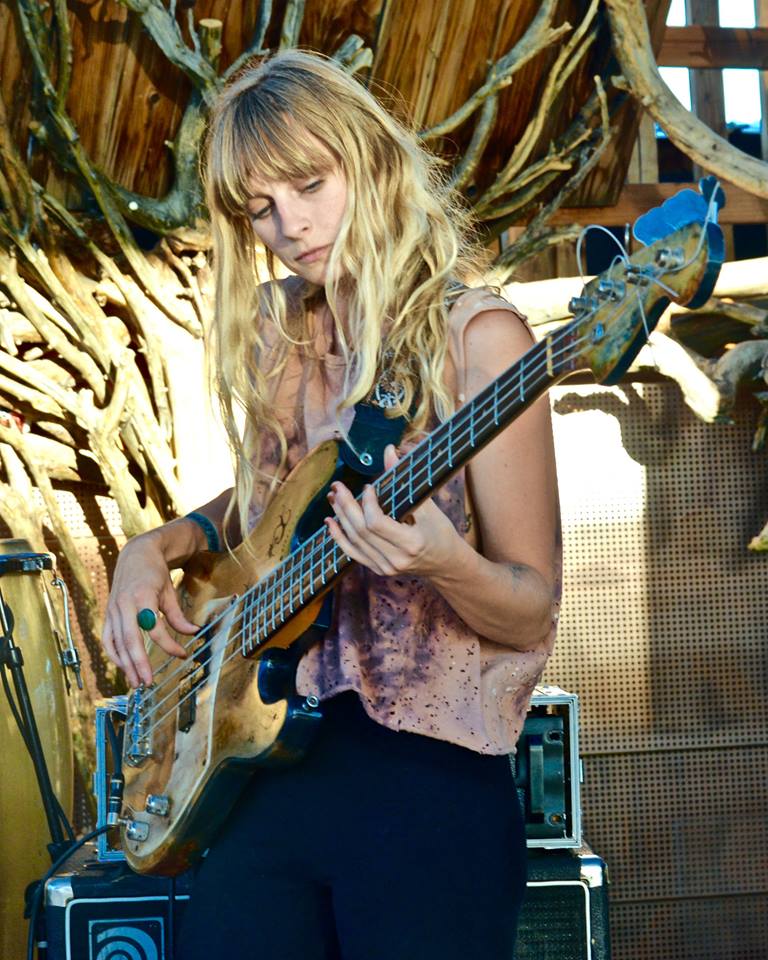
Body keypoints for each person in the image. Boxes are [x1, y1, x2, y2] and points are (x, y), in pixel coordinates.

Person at [101, 49, 560, 960]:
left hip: (427, 789)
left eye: (310, 184)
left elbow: (530, 606)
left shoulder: (481, 340)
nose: (291, 225)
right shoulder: (283, 332)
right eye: (260, 208)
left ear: (372, 161)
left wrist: (443, 563)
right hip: (265, 776)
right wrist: (154, 546)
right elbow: (265, 516)